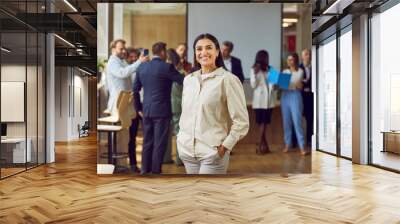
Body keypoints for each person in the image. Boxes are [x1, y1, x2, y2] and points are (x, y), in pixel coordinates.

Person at [177, 33, 249, 174]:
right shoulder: (189, 80)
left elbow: (241, 122)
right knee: (193, 195)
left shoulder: (228, 80)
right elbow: (185, 114)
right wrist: (180, 139)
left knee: (208, 195)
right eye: (199, 49)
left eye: (208, 48)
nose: (203, 52)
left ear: (217, 52)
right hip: (187, 151)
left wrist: (225, 147)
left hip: (212, 153)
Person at [133, 42, 184, 174]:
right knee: (159, 143)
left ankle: (145, 170)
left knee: (147, 142)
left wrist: (138, 108)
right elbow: (182, 80)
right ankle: (155, 172)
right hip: (162, 111)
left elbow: (135, 90)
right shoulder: (167, 67)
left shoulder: (142, 67)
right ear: (162, 52)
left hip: (146, 110)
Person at [106, 40, 149, 173]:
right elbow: (123, 73)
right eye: (121, 48)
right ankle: (120, 165)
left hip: (128, 105)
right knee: (125, 138)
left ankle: (129, 165)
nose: (124, 51)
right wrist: (139, 62)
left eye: (124, 48)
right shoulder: (113, 62)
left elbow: (129, 76)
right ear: (113, 49)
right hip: (119, 106)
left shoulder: (122, 61)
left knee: (130, 138)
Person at [250, 50, 278, 154]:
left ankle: (262, 146)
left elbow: (274, 87)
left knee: (264, 124)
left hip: (269, 101)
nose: (267, 59)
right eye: (266, 57)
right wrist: (255, 74)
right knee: (261, 124)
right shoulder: (254, 69)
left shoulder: (271, 69)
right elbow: (253, 85)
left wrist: (276, 85)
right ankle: (262, 146)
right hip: (259, 101)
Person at [280, 53, 309, 156]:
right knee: (286, 122)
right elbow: (284, 86)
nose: (289, 62)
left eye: (291, 59)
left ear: (295, 60)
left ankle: (302, 146)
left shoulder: (300, 71)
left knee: (297, 121)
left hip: (296, 97)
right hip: (285, 97)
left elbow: (299, 85)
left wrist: (289, 84)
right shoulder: (284, 71)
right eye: (288, 60)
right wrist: (286, 84)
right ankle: (287, 144)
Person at [167, 48, 186, 166]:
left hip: (168, 105)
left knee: (168, 133)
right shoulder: (180, 75)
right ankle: (179, 159)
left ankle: (166, 158)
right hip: (178, 107)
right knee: (179, 133)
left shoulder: (167, 73)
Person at [300, 49, 313, 147]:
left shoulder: (314, 67)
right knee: (298, 118)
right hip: (300, 96)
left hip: (310, 96)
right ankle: (297, 141)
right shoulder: (298, 68)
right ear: (302, 57)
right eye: (306, 54)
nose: (308, 56)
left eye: (309, 54)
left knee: (310, 119)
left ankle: (309, 140)